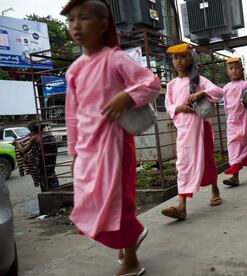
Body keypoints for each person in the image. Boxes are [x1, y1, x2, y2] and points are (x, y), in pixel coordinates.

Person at [61, 1, 160, 275]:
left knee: (118, 203)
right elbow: (72, 116)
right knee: (91, 203)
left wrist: (127, 95)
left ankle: (131, 259)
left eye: (84, 18)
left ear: (103, 25)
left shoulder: (115, 58)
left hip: (115, 145)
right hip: (87, 150)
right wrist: (74, 152)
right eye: (71, 20)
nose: (76, 26)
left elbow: (151, 83)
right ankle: (132, 237)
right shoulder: (74, 70)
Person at [162, 43, 223, 220]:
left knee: (207, 161)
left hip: (200, 128)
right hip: (183, 130)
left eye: (182, 57)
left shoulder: (199, 80)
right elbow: (168, 106)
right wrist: (180, 108)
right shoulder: (172, 85)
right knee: (182, 164)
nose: (179, 61)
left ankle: (215, 189)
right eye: (175, 58)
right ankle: (182, 207)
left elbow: (219, 92)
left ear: (190, 58)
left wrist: (201, 94)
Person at [222, 57, 247, 187]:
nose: (234, 71)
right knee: (233, 148)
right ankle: (235, 177)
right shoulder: (226, 88)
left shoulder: (245, 84)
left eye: (237, 68)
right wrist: (228, 119)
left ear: (242, 69)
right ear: (227, 71)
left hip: (245, 120)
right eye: (231, 68)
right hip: (232, 122)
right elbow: (226, 106)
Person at [14, 121, 59, 192]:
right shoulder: (48, 135)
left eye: (30, 131)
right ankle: (55, 189)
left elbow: (23, 151)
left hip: (41, 164)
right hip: (51, 161)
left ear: (33, 130)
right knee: (51, 175)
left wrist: (17, 144)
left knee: (44, 179)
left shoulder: (34, 138)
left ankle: (46, 193)